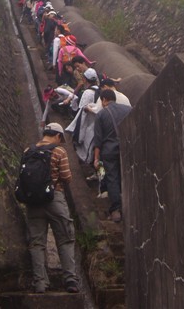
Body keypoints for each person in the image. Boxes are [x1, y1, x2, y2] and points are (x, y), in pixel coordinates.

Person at [24, 123, 80, 294]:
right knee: (65, 238)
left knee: (36, 243)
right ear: (57, 136)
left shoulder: (28, 151)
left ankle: (40, 283)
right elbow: (67, 177)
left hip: (33, 202)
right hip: (55, 198)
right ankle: (70, 280)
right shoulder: (59, 151)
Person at [92, 89, 132, 223]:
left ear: (104, 100)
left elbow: (98, 140)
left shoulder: (101, 114)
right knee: (127, 176)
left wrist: (96, 159)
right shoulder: (128, 109)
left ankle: (116, 210)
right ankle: (130, 203)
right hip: (127, 149)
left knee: (112, 178)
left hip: (109, 151)